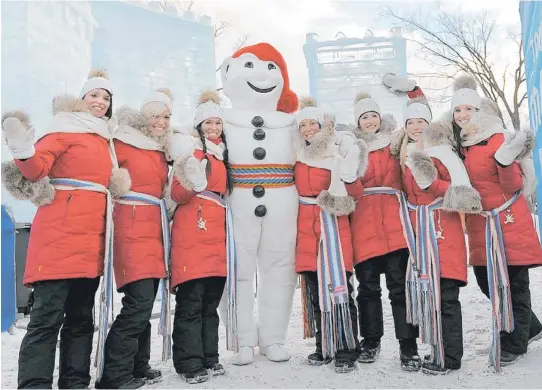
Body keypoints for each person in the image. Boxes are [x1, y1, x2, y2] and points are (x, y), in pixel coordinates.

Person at [1, 69, 130, 389]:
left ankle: (75, 383)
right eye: (94, 95)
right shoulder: (63, 128)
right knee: (46, 319)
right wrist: (22, 149)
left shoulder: (106, 140)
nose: (100, 102)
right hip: (58, 238)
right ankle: (34, 385)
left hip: (91, 243)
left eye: (106, 98)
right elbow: (36, 169)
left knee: (81, 320)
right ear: (82, 98)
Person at [388, 79, 482, 374]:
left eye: (421, 121)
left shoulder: (443, 149)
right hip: (418, 233)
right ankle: (437, 349)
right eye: (411, 122)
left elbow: (459, 189)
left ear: (429, 123)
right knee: (429, 292)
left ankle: (451, 357)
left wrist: (432, 183)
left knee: (447, 293)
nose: (417, 126)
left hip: (443, 227)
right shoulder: (403, 153)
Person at [449, 74, 542, 370]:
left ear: (480, 111)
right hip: (480, 224)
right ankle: (530, 326)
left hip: (507, 219)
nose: (462, 115)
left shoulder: (498, 136)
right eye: (457, 111)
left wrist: (504, 162)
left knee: (513, 282)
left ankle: (515, 342)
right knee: (487, 280)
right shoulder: (459, 143)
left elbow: (515, 183)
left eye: (468, 110)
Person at [218, 42, 299, 365]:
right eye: (249, 65)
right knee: (236, 269)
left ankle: (274, 337)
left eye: (270, 67)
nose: (261, 75)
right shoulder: (218, 121)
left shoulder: (292, 122)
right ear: (228, 71)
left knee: (280, 271)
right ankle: (242, 339)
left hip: (283, 201)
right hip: (236, 201)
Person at [97, 89, 174, 389]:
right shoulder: (121, 141)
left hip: (154, 229)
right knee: (137, 302)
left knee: (145, 302)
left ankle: (138, 365)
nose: (161, 121)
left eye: (166, 116)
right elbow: (106, 174)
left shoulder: (160, 149)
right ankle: (114, 375)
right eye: (156, 114)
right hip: (130, 226)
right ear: (144, 116)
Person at [294, 97, 366, 373]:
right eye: (304, 124)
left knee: (340, 289)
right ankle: (325, 345)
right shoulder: (297, 159)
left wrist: (349, 179)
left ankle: (347, 346)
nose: (309, 128)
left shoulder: (337, 156)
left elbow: (356, 194)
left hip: (333, 229)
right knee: (315, 292)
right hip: (306, 230)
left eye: (313, 123)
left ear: (323, 126)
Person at [349, 90, 420, 370]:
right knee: (367, 289)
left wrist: (413, 91)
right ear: (358, 121)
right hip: (364, 223)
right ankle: (371, 341)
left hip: (394, 223)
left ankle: (408, 345)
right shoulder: (353, 147)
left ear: (381, 117)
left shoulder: (396, 141)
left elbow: (419, 121)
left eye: (373, 115)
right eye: (364, 117)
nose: (369, 121)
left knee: (399, 288)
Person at [169, 90, 231, 384]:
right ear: (198, 126)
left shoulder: (224, 156)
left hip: (217, 231)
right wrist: (192, 182)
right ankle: (188, 362)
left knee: (210, 302)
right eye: (208, 123)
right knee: (191, 300)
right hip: (193, 230)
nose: (213, 128)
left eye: (218, 123)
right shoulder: (190, 154)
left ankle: (210, 356)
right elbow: (176, 193)